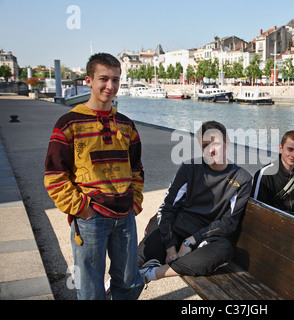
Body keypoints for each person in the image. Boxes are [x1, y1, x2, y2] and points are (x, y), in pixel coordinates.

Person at [44, 53, 145, 299]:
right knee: (90, 285)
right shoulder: (69, 123)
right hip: (91, 216)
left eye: (116, 80)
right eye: (103, 79)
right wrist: (81, 208)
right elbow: (54, 174)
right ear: (88, 80)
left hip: (125, 215)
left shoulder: (127, 125)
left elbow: (136, 168)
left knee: (129, 280)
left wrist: (135, 202)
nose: (110, 86)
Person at [137, 121, 252, 283]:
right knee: (139, 259)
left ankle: (152, 273)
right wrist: (170, 248)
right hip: (176, 227)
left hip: (205, 238)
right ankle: (117, 287)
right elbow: (168, 208)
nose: (211, 149)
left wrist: (191, 240)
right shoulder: (189, 168)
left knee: (224, 249)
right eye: (205, 145)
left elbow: (228, 223)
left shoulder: (241, 179)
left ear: (227, 143)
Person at [251, 130, 294, 220]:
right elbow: (256, 209)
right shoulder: (265, 174)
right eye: (290, 149)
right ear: (280, 148)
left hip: (293, 225)